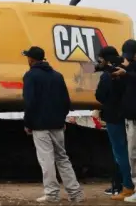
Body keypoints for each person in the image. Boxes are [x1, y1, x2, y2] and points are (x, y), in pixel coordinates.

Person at [22, 46, 84, 203]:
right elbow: (66, 101)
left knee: (46, 159)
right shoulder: (57, 76)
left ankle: (52, 194)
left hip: (39, 126)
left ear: (31, 59)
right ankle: (75, 193)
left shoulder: (30, 76)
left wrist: (28, 123)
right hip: (57, 124)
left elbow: (30, 102)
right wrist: (61, 119)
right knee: (62, 158)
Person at [96, 46, 133, 200]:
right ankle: (124, 185)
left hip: (114, 117)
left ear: (104, 58)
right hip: (129, 115)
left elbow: (100, 95)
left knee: (120, 153)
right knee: (130, 152)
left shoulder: (108, 74)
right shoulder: (126, 69)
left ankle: (127, 186)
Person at [113, 39, 136, 203]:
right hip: (130, 117)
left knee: (133, 154)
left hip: (134, 117)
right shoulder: (129, 70)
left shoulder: (130, 72)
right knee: (132, 155)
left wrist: (126, 73)